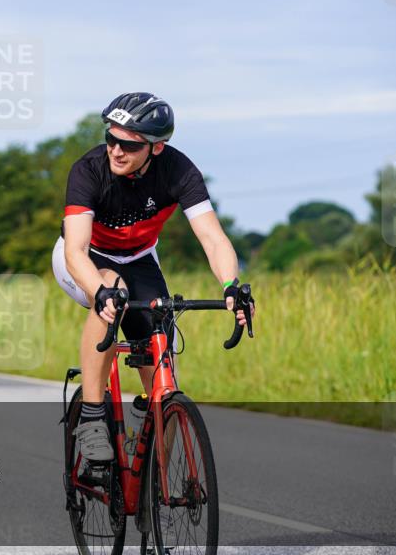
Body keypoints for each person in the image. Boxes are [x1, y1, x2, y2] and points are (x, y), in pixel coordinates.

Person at [53, 92, 256, 462]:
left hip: (140, 258)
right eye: (110, 139)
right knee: (113, 292)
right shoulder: (88, 170)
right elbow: (75, 251)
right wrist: (99, 291)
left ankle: (151, 463)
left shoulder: (179, 171)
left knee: (160, 353)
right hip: (83, 258)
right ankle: (94, 417)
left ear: (157, 148)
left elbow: (212, 238)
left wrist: (231, 286)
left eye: (128, 145)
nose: (116, 150)